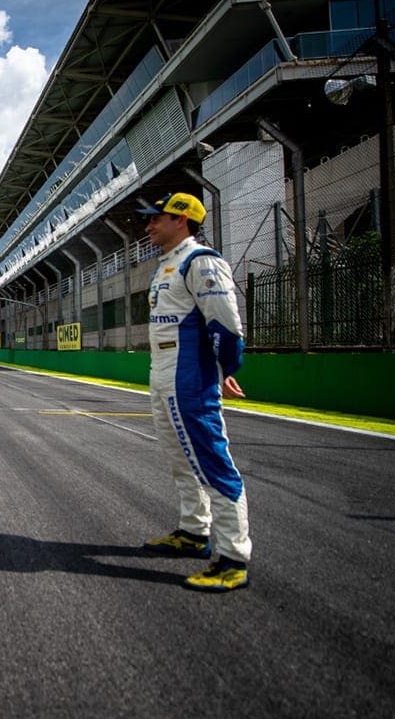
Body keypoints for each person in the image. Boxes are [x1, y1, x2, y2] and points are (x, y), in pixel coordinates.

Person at [137, 192, 252, 592]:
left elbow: (225, 324)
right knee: (179, 458)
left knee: (212, 461)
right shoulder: (167, 264)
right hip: (163, 372)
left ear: (182, 220)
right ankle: (193, 532)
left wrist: (225, 368)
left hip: (188, 377)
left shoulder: (200, 261)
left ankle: (233, 557)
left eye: (157, 219)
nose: (149, 226)